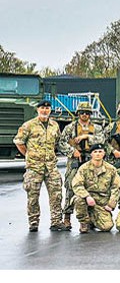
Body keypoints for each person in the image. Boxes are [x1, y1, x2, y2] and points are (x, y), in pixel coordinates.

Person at [13, 99, 76, 232]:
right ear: (38, 110)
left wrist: (71, 151)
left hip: (51, 166)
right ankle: (34, 222)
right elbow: (19, 142)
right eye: (42, 108)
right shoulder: (29, 125)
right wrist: (29, 155)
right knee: (33, 196)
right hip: (34, 167)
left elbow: (58, 143)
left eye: (47, 108)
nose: (44, 110)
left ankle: (56, 221)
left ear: (50, 110)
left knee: (56, 194)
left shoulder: (54, 125)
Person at [60, 101, 104, 230]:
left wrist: (87, 136)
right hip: (75, 160)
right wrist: (72, 151)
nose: (84, 115)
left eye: (87, 113)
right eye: (82, 113)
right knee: (70, 187)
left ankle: (89, 219)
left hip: (91, 161)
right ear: (78, 114)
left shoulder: (96, 128)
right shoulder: (70, 128)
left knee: (91, 188)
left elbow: (101, 140)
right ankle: (67, 217)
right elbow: (61, 142)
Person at [71, 143, 120, 233]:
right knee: (78, 199)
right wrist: (87, 196)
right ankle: (84, 223)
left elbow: (116, 188)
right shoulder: (84, 168)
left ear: (104, 153)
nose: (98, 154)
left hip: (101, 203)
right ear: (91, 154)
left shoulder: (111, 169)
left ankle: (93, 219)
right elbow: (77, 184)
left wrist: (111, 205)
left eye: (100, 152)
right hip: (87, 200)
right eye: (95, 152)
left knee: (107, 227)